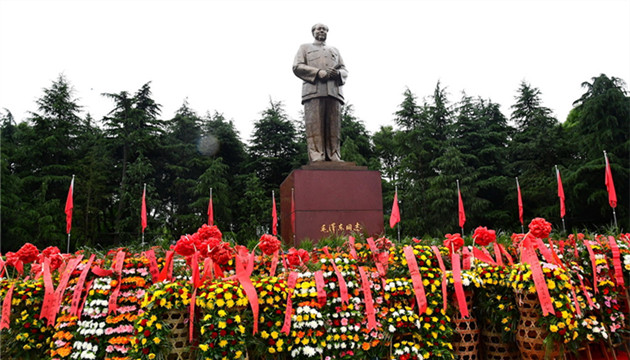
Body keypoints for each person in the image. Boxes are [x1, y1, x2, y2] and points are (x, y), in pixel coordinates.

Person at [293, 23, 348, 162]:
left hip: (334, 92)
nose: (322, 31)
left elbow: (344, 70)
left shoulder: (334, 50)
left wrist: (338, 74)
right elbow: (297, 66)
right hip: (313, 90)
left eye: (324, 29)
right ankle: (317, 155)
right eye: (319, 29)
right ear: (313, 32)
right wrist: (318, 72)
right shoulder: (304, 48)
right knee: (314, 126)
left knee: (334, 126)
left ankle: (334, 155)